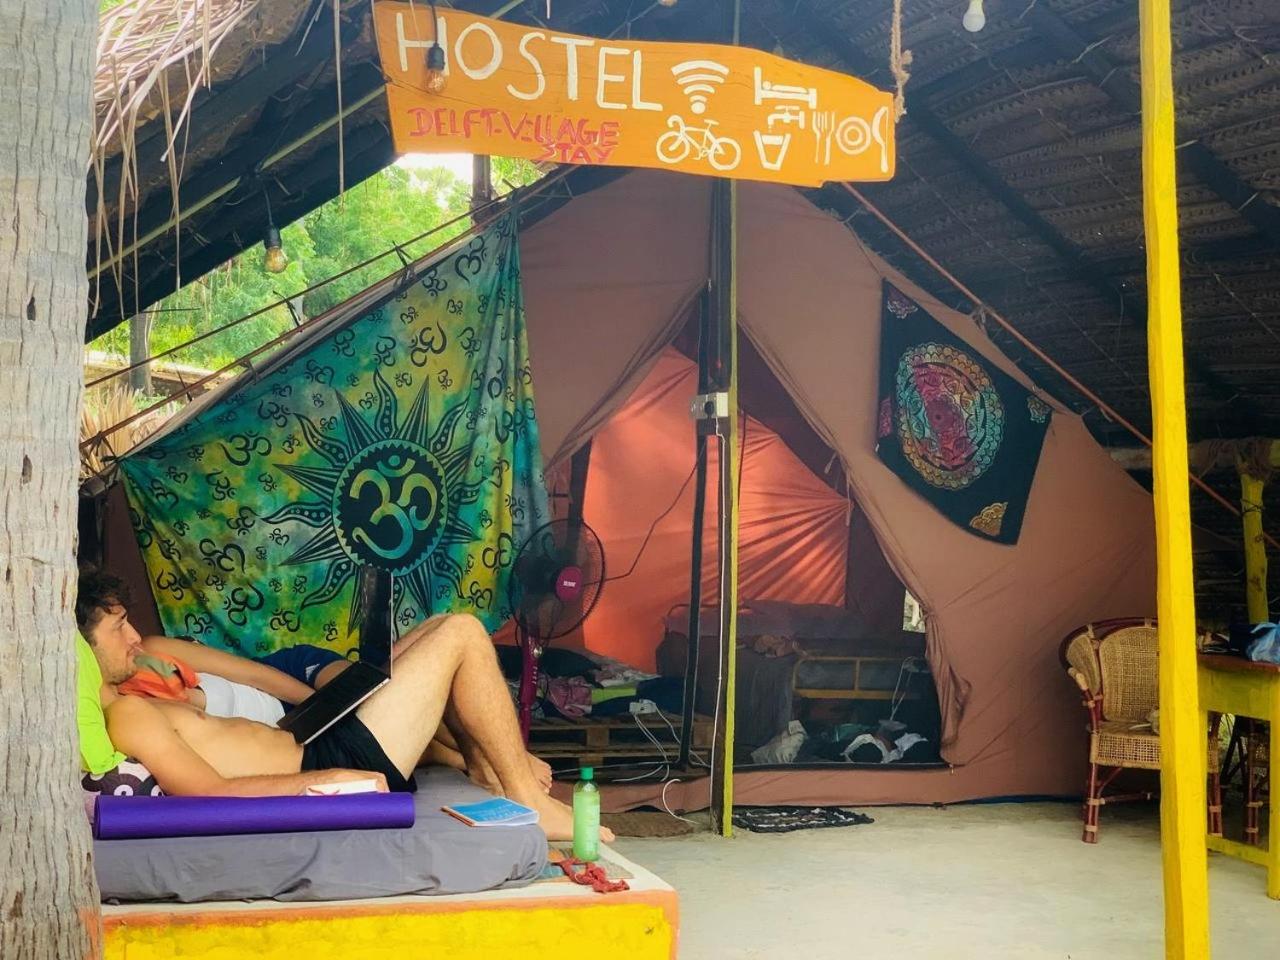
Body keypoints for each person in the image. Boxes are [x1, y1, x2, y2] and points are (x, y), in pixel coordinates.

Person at [76, 573, 609, 842]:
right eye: (118, 628)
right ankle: (524, 796)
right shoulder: (126, 715)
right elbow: (209, 795)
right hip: (328, 757)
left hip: (313, 738)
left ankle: (491, 770)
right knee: (463, 633)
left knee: (434, 628)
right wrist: (325, 781)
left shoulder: (131, 703)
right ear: (84, 647)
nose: (134, 637)